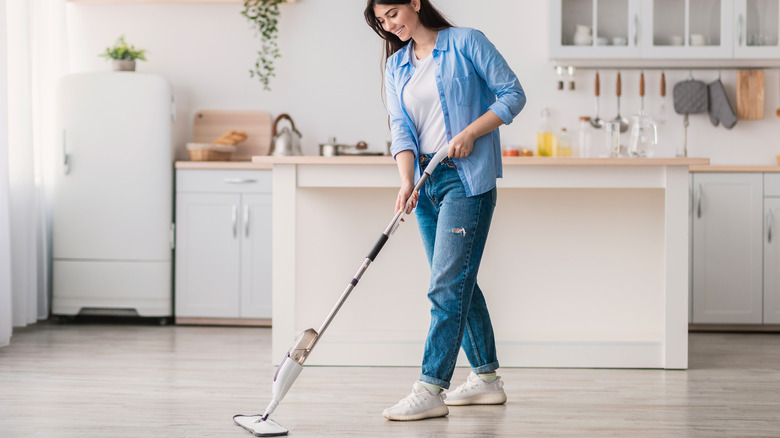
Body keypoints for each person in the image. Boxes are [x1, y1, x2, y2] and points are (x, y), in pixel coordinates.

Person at [363, 0, 527, 422]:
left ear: (415, 3)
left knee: (445, 287)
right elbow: (400, 126)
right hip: (424, 180)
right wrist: (406, 181)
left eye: (394, 13)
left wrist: (471, 132)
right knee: (458, 284)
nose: (390, 25)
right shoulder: (396, 65)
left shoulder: (466, 42)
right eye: (382, 21)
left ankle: (431, 386)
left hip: (465, 178)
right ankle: (487, 380)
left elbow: (513, 93)